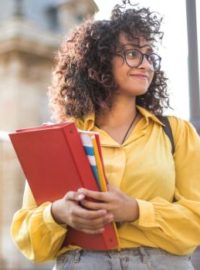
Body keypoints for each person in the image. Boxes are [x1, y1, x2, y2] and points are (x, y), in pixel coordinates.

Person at [11, 1, 200, 269]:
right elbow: (28, 238)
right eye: (132, 53)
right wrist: (58, 213)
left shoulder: (177, 133)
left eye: (149, 55)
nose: (145, 64)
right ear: (99, 61)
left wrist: (135, 210)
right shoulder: (62, 139)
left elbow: (197, 221)